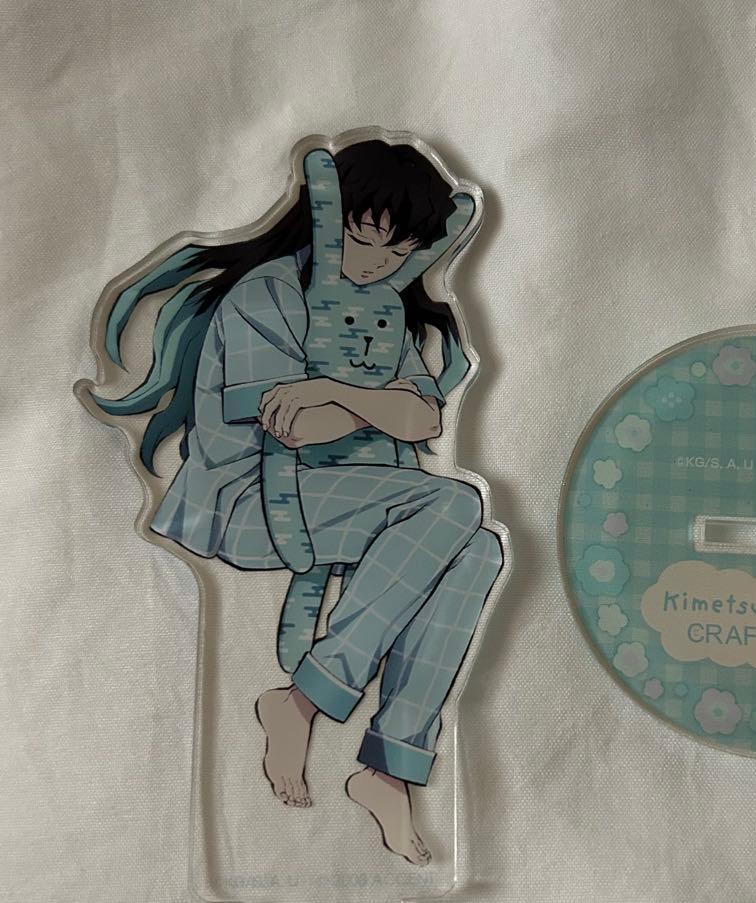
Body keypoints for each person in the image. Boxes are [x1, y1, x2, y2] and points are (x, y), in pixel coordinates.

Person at [91, 138, 504, 865]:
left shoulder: (384, 307)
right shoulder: (269, 295)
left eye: (397, 250)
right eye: (361, 237)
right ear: (326, 214)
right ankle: (305, 700)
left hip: (343, 498)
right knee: (453, 508)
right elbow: (295, 427)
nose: (374, 263)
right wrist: (369, 404)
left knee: (482, 549)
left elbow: (425, 418)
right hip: (247, 499)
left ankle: (386, 768)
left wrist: (334, 389)